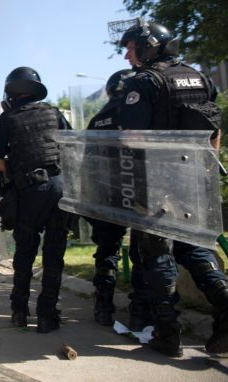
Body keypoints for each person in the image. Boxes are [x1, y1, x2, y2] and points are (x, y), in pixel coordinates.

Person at [115, 20, 228, 357]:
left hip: (156, 181)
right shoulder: (200, 77)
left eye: (130, 48)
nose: (127, 55)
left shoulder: (144, 82)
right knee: (195, 246)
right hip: (194, 179)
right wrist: (204, 168)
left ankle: (168, 336)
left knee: (156, 253)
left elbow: (132, 137)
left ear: (148, 47)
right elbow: (214, 132)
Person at [0, 67, 72, 333]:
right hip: (58, 188)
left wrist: (12, 183)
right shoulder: (54, 113)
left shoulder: (7, 118)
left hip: (28, 191)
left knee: (25, 251)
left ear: (10, 92)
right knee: (54, 253)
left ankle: (19, 311)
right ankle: (48, 315)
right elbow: (72, 148)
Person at [85, 69, 152, 330]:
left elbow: (88, 165)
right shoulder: (142, 113)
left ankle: (103, 307)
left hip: (108, 197)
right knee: (142, 252)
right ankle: (140, 313)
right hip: (142, 195)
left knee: (107, 251)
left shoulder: (98, 119)